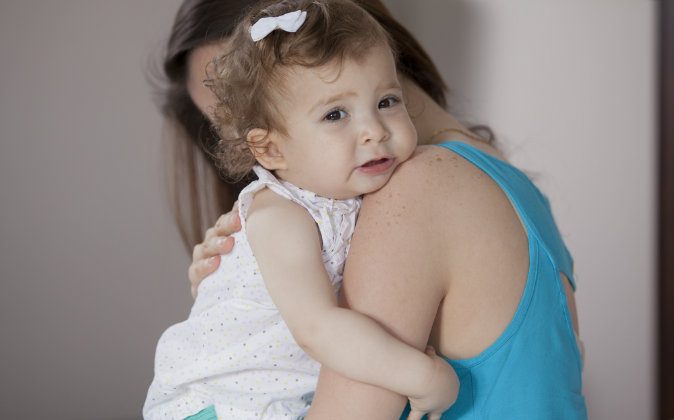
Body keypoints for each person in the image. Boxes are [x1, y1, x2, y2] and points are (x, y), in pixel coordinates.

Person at [157, 0, 587, 418]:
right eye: (229, 124)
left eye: (384, 102)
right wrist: (243, 293)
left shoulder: (415, 189)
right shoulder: (501, 177)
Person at [144, 1, 459, 419]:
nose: (374, 130)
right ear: (270, 148)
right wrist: (422, 376)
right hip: (225, 406)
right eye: (335, 114)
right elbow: (317, 328)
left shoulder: (357, 190)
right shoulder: (282, 216)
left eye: (386, 101)